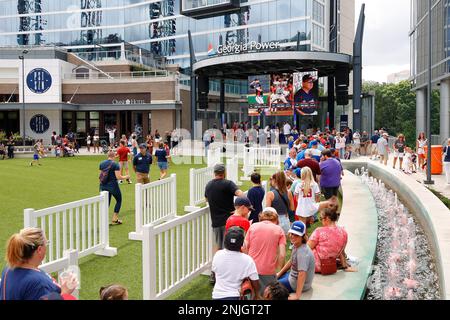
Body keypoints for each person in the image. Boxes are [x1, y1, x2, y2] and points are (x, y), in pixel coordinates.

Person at [0, 227, 78, 300]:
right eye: (46, 243)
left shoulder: (8, 269)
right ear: (39, 250)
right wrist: (65, 293)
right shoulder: (38, 284)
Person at [243, 208, 286, 296]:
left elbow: (244, 248)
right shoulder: (279, 230)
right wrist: (278, 270)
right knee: (268, 296)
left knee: (253, 295)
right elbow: (282, 255)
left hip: (251, 269)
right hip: (268, 271)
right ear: (276, 219)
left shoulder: (253, 226)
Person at [211, 227, 261, 300]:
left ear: (225, 242)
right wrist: (257, 294)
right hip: (236, 296)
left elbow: (215, 274)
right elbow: (255, 280)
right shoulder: (247, 260)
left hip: (217, 296)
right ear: (241, 244)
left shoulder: (217, 255)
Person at [205, 163, 244, 254]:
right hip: (229, 221)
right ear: (224, 172)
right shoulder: (228, 184)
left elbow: (206, 199)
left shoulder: (208, 185)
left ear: (214, 173)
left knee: (219, 247)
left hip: (216, 222)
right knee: (231, 247)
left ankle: (217, 265)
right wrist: (237, 209)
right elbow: (241, 194)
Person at [308, 205, 355, 273]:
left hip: (316, 266)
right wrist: (345, 266)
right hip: (330, 266)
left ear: (327, 218)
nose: (321, 221)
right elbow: (341, 252)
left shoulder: (319, 231)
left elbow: (306, 249)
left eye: (321, 218)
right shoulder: (344, 232)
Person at [277, 221, 315, 300]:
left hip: (297, 283)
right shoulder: (297, 244)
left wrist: (297, 295)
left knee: (271, 287)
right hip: (292, 276)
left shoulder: (303, 252)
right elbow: (291, 261)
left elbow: (302, 274)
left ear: (303, 236)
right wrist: (279, 273)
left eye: (297, 235)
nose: (292, 236)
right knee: (274, 277)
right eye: (292, 233)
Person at [99, 150, 130, 225]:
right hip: (113, 186)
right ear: (114, 156)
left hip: (103, 185)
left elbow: (101, 176)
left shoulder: (102, 163)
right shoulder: (115, 164)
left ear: (108, 156)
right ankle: (115, 218)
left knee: (106, 203)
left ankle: (104, 219)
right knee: (119, 200)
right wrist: (127, 176)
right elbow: (118, 177)